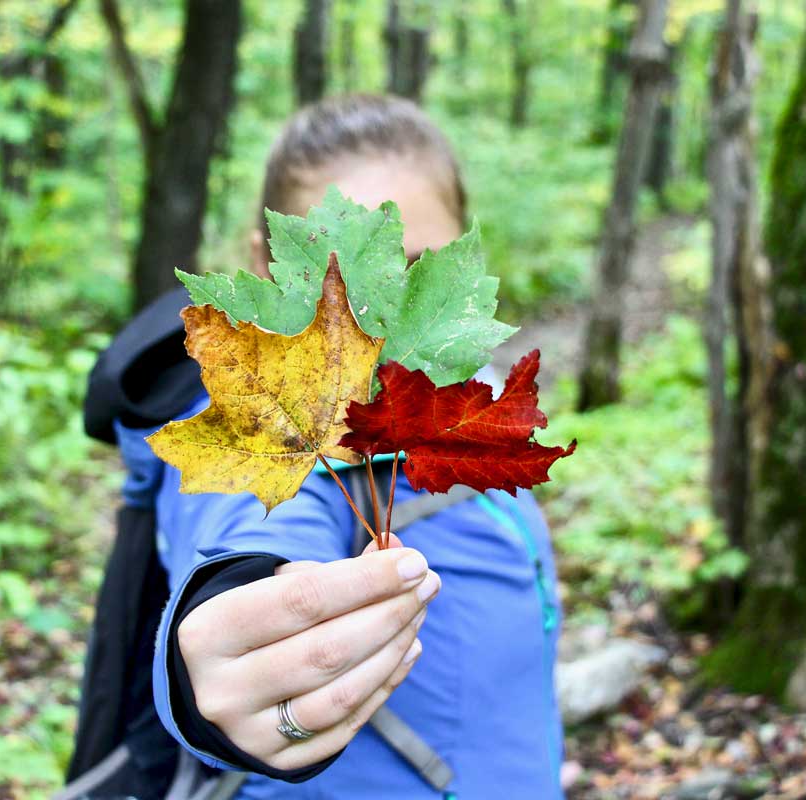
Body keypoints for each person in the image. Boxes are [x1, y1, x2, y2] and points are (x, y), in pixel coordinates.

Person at [113, 94, 564, 799]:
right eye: (346, 286)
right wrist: (225, 647)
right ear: (268, 265)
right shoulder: (259, 415)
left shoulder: (472, 406)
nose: (381, 332)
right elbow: (248, 536)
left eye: (416, 271)